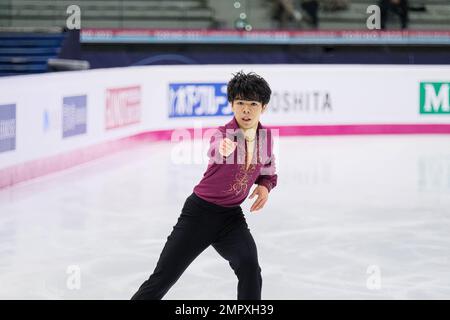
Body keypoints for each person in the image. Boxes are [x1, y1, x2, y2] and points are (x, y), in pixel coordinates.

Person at [131, 71, 278, 300]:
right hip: (199, 215)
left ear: (263, 107)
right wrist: (222, 149)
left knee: (250, 268)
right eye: (240, 103)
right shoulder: (223, 135)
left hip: (231, 218)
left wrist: (264, 186)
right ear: (231, 104)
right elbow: (215, 147)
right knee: (163, 278)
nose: (246, 110)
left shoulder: (265, 137)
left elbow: (268, 170)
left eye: (253, 104)